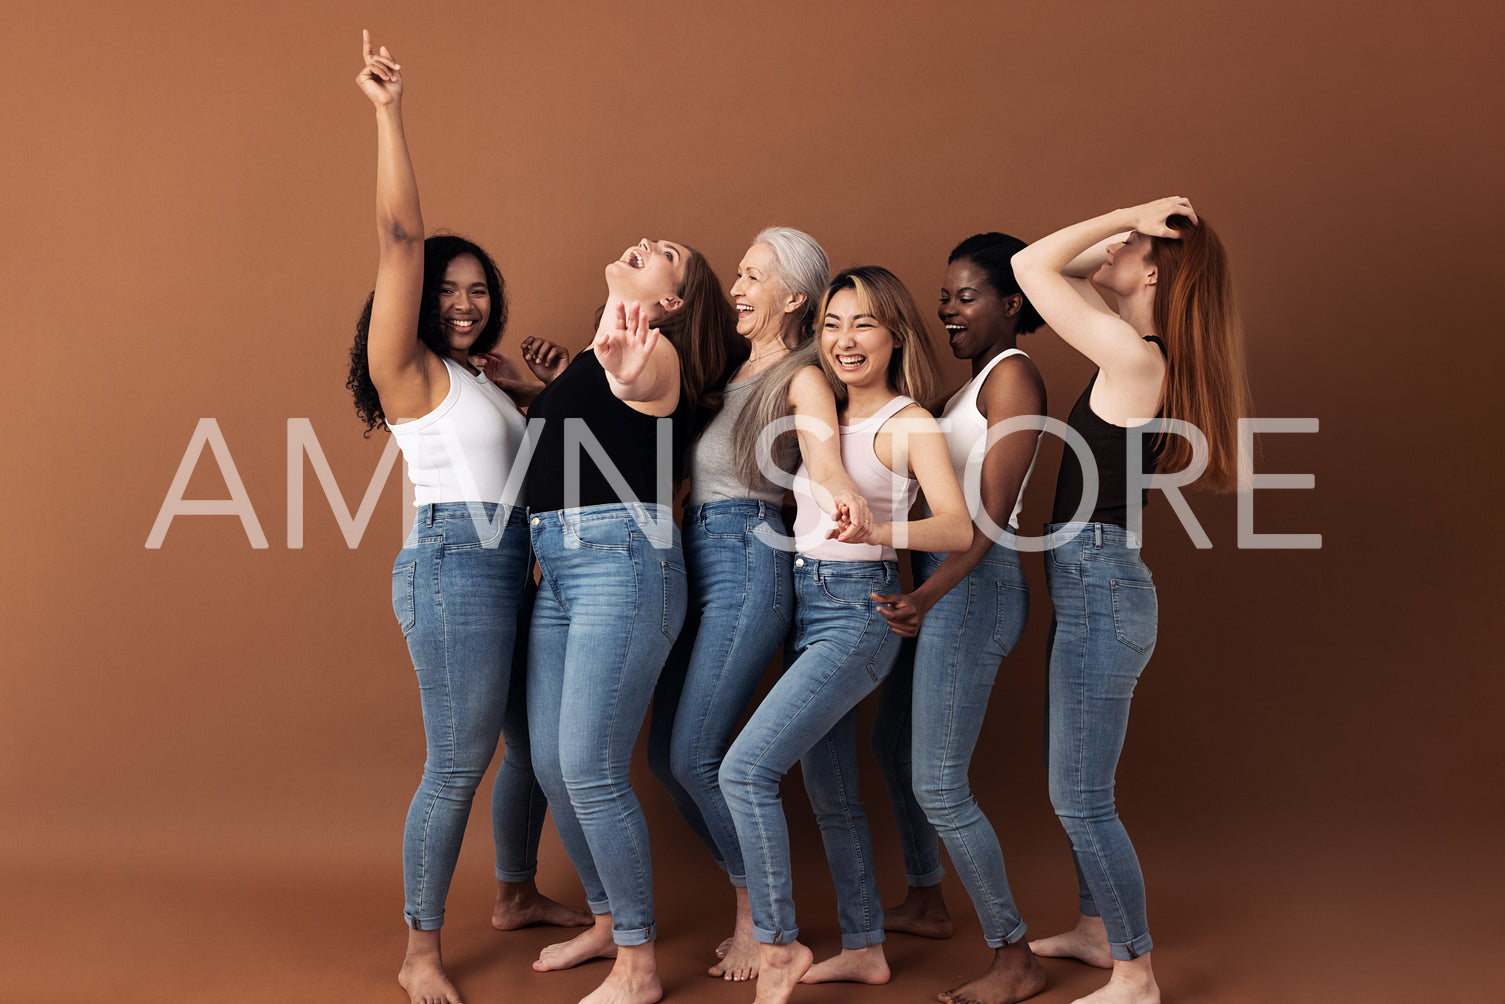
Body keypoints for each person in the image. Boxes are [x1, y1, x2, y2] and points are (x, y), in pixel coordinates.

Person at [348, 32, 587, 1004]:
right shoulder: (403, 371)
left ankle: (517, 890)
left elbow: (549, 467)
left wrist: (535, 389)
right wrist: (386, 111)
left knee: (532, 744)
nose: (461, 299)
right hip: (454, 562)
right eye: (444, 288)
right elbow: (401, 237)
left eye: (475, 287)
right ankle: (418, 949)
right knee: (456, 760)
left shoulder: (484, 381)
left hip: (513, 559)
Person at [1011, 198, 1250, 1004]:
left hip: (1099, 587)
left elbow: (1028, 265)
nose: (1109, 245)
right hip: (1091, 583)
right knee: (1069, 778)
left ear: (1151, 269)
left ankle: (1135, 973)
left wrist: (1132, 210)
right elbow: (1064, 266)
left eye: (1131, 246)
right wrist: (1131, 244)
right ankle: (1095, 928)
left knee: (1078, 795)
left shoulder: (1135, 357)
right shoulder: (1134, 345)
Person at [718, 267, 973, 1004]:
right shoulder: (824, 411)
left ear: (893, 331)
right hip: (806, 605)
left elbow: (956, 527)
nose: (844, 339)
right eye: (830, 324)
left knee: (745, 771)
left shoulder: (908, 422)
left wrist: (879, 527)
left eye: (862, 323)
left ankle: (775, 946)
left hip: (857, 612)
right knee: (830, 793)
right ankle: (865, 947)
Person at [646, 227, 872, 983]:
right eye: (738, 274)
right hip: (693, 558)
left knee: (697, 756)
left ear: (795, 297)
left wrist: (839, 491)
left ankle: (761, 921)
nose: (736, 287)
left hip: (747, 559)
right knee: (664, 758)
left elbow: (824, 455)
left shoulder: (804, 376)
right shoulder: (729, 369)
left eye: (752, 275)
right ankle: (758, 906)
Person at [521, 227, 741, 1004]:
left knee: (588, 768)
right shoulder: (599, 353)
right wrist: (551, 385)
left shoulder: (659, 354)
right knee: (554, 765)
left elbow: (646, 390)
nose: (646, 239)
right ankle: (611, 918)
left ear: (671, 302)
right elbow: (585, 429)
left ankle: (639, 967)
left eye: (666, 252)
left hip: (622, 563)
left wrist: (623, 368)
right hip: (559, 568)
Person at [869, 232, 1050, 1004]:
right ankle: (924, 898)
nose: (949, 310)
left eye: (967, 296)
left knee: (939, 782)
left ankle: (1014, 956)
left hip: (973, 587)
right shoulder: (962, 392)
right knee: (891, 746)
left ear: (1012, 304)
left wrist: (927, 595)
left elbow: (989, 516)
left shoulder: (1013, 379)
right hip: (941, 584)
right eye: (944, 298)